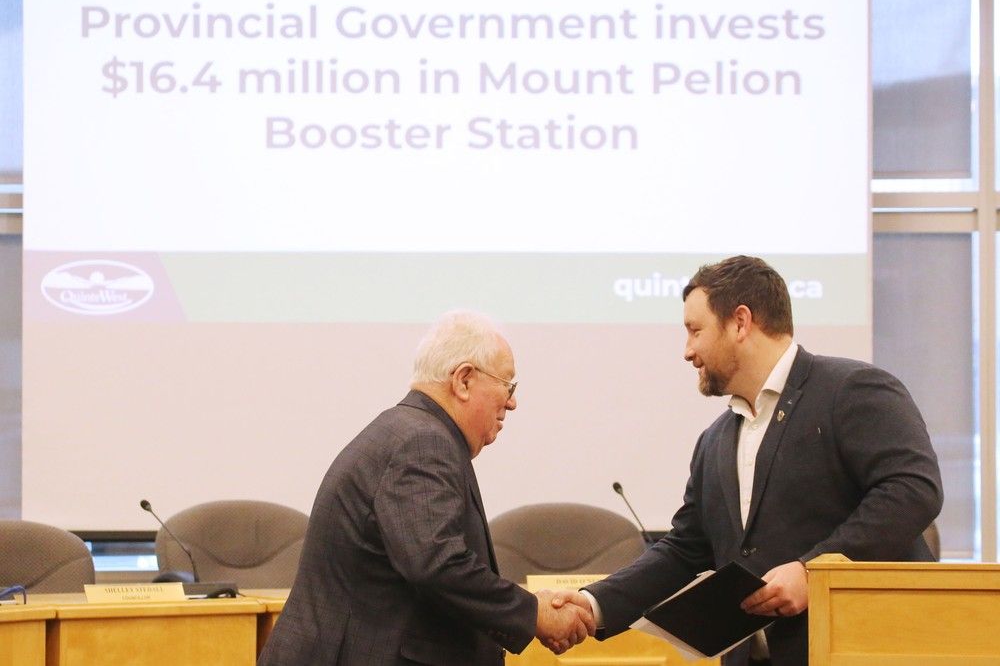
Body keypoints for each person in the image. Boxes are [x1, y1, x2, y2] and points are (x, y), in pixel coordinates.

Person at [565, 255, 943, 666]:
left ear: (741, 322)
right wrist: (592, 605)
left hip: (861, 649)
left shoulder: (854, 389)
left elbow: (913, 490)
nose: (687, 351)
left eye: (695, 331)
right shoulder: (715, 440)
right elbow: (685, 549)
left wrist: (813, 573)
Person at [257, 310, 594, 666]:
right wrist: (532, 613)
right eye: (508, 386)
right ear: (463, 380)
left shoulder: (409, 430)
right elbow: (437, 564)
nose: (512, 402)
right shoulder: (422, 442)